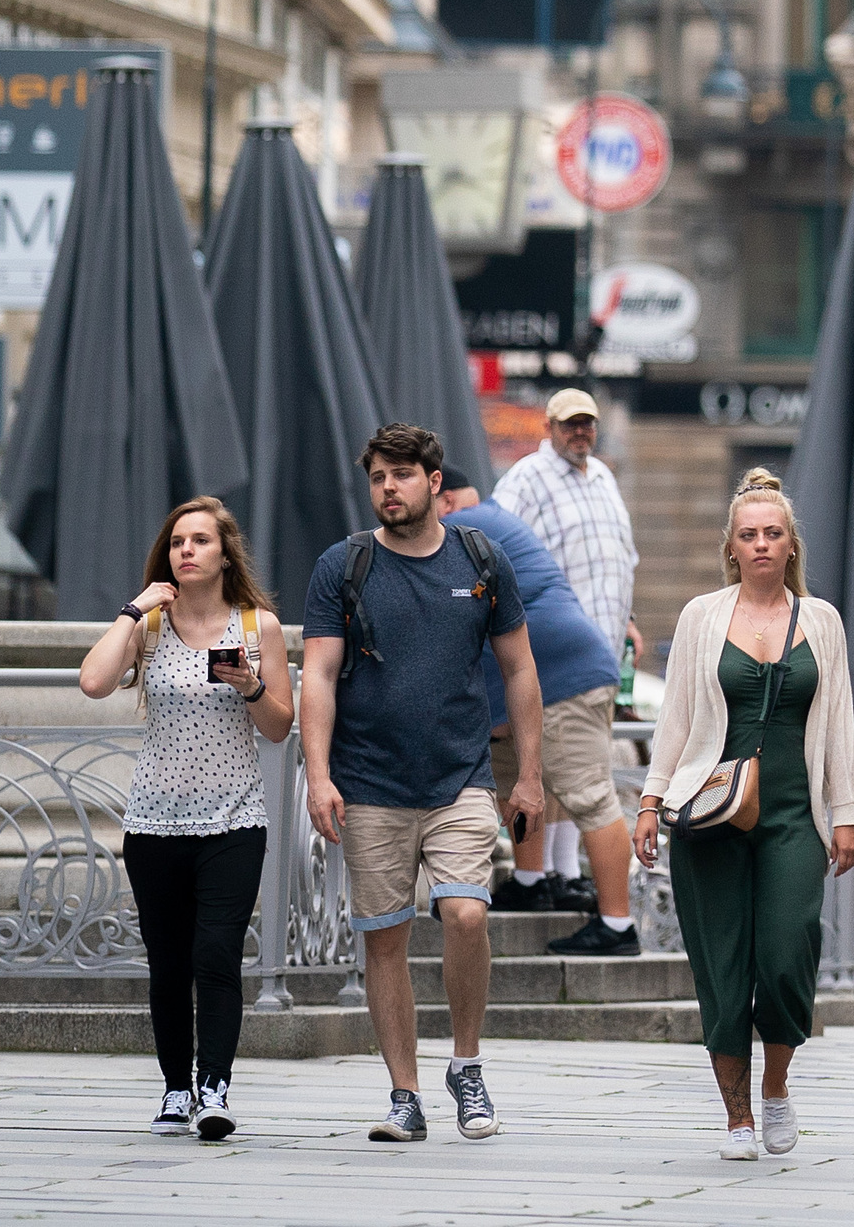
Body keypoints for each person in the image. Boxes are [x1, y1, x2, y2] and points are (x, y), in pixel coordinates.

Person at [298, 424, 549, 1148]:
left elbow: (520, 669)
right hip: (368, 780)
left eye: (402, 475)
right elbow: (318, 674)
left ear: (435, 482)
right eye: (379, 476)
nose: (389, 488)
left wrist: (530, 776)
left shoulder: (481, 559)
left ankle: (466, 1066)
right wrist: (319, 775)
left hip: (459, 777)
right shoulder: (343, 564)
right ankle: (404, 1093)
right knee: (385, 940)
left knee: (466, 915)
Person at [638, 472, 854, 1161]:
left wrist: (848, 812)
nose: (761, 543)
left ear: (791, 545)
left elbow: (841, 722)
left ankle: (775, 1085)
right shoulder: (700, 616)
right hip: (711, 813)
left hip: (795, 814)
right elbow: (675, 719)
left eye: (773, 533)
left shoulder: (822, 621)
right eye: (748, 534)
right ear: (731, 548)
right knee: (723, 965)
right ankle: (737, 1117)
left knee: (789, 951)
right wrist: (649, 801)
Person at [78, 494, 292, 1141]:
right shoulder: (149, 626)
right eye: (177, 542)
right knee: (168, 961)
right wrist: (133, 609)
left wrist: (251, 685)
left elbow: (279, 726)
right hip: (155, 823)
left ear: (226, 554)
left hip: (234, 819)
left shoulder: (257, 626)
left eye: (200, 540)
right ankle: (176, 1088)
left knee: (217, 951)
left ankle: (214, 1087)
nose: (186, 551)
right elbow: (92, 682)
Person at [433, 464, 636, 958]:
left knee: (589, 797)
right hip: (541, 682)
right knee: (515, 778)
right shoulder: (491, 519)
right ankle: (530, 880)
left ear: (446, 499)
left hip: (565, 679)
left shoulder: (462, 528)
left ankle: (618, 924)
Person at [494, 388, 641, 906]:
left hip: (601, 649)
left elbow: (621, 559)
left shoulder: (602, 476)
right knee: (556, 766)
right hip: (555, 651)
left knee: (575, 768)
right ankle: (548, 873)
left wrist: (629, 620)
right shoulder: (527, 478)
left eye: (587, 423)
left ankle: (560, 870)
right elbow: (497, 552)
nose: (580, 432)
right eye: (569, 423)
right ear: (549, 428)